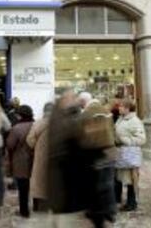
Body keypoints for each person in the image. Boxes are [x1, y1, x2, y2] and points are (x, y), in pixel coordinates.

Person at [47, 90, 90, 226]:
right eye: (71, 97)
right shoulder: (66, 118)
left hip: (67, 173)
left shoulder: (62, 116)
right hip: (64, 172)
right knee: (64, 214)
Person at [80, 100, 117, 227]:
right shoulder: (107, 113)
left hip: (95, 154)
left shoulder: (87, 114)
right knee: (109, 183)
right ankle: (111, 211)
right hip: (110, 152)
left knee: (96, 185)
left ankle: (96, 211)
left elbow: (84, 136)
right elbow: (113, 131)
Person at [114, 99, 146, 212]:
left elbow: (142, 139)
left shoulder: (135, 121)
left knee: (131, 180)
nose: (119, 108)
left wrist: (125, 140)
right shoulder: (121, 119)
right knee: (119, 178)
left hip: (129, 156)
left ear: (128, 108)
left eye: (121, 106)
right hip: (120, 155)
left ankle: (131, 203)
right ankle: (117, 199)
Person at [6, 105, 35, 218]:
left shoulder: (17, 128)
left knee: (23, 187)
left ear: (20, 115)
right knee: (36, 183)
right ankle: (37, 206)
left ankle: (24, 211)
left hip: (21, 160)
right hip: (35, 158)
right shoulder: (35, 124)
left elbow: (10, 144)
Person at [26, 102, 54, 212]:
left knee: (39, 181)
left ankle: (39, 207)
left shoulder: (38, 124)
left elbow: (30, 141)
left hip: (41, 157)